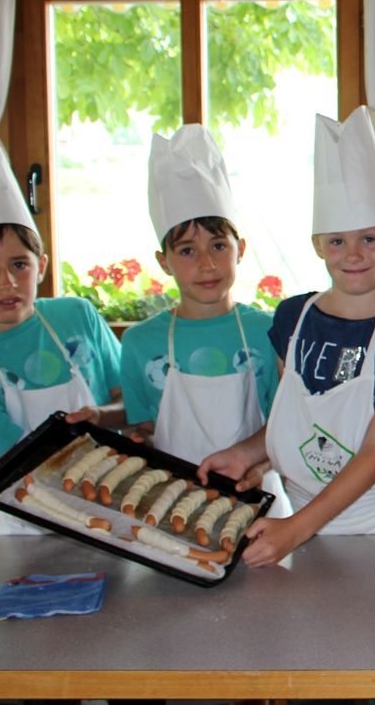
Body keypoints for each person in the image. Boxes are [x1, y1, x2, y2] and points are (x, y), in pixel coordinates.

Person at [200, 107, 375, 565]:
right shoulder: (293, 318)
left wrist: (296, 528)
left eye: (369, 239)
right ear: (317, 245)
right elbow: (293, 422)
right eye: (337, 241)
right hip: (310, 529)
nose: (353, 255)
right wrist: (247, 454)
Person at [0, 144, 122, 534]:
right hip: (30, 529)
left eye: (19, 264)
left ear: (40, 266)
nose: (6, 282)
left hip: (118, 502)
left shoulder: (77, 316)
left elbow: (129, 400)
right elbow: (13, 476)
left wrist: (104, 416)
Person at [120, 126, 289, 515]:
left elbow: (287, 424)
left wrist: (260, 465)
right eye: (186, 250)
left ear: (240, 249)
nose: (207, 264)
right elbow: (145, 428)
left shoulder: (270, 331)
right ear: (163, 261)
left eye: (218, 245)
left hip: (257, 503)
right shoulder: (139, 342)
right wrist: (138, 442)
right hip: (170, 505)